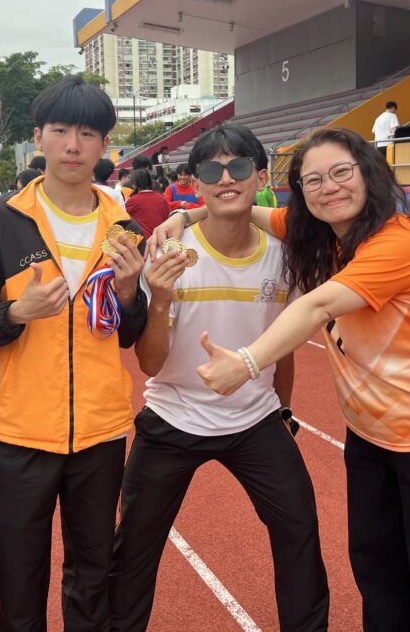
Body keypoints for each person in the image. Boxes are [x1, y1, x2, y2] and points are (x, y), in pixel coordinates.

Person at [155, 127, 410, 630]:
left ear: (368, 174)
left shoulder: (398, 241)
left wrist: (246, 362)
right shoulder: (322, 233)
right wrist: (184, 215)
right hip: (369, 440)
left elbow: (317, 306)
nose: (328, 187)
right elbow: (245, 211)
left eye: (340, 173)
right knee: (380, 578)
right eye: (312, 181)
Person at [110, 126, 329, 632]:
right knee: (134, 547)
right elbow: (149, 364)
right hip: (173, 418)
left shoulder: (283, 255)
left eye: (239, 167)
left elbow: (282, 346)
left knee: (298, 527)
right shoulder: (170, 253)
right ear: (194, 182)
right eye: (212, 169)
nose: (226, 178)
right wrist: (160, 300)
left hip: (254, 421)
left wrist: (283, 410)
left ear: (261, 178)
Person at [0, 75, 148, 631]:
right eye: (61, 131)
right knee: (18, 576)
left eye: (88, 134)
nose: (73, 146)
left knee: (92, 573)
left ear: (104, 146)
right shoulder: (0, 221)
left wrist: (128, 292)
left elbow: (128, 334)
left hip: (99, 429)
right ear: (38, 137)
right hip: (20, 430)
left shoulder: (123, 228)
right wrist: (15, 313)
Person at [123, 169, 169, 239]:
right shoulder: (162, 198)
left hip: (143, 240)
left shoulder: (132, 201)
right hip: (161, 238)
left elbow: (122, 218)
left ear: (135, 184)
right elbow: (167, 218)